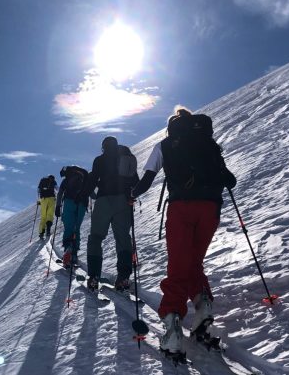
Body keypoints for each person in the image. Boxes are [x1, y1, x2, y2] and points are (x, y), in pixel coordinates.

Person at [130, 107, 236, 358]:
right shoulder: (208, 143)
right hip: (210, 208)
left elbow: (147, 179)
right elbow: (229, 180)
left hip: (182, 208)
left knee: (178, 265)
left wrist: (131, 195)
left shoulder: (165, 145)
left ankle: (172, 329)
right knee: (194, 262)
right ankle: (203, 308)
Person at [84, 136, 139, 291]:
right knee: (123, 238)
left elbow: (92, 180)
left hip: (103, 200)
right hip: (123, 201)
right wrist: (130, 195)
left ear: (103, 147)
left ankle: (94, 276)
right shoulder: (126, 158)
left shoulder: (99, 160)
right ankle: (123, 277)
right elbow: (135, 180)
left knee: (96, 238)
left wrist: (84, 195)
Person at [54, 165, 90, 268]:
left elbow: (60, 193)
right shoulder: (84, 178)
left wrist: (58, 206)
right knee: (76, 228)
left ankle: (68, 249)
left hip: (69, 202)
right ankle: (74, 254)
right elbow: (91, 193)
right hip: (82, 204)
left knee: (69, 227)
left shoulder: (66, 180)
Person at [36, 175, 57, 240]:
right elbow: (57, 189)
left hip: (43, 199)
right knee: (50, 215)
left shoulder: (42, 181)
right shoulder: (53, 181)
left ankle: (41, 233)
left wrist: (38, 200)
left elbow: (38, 190)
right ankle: (48, 230)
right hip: (52, 199)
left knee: (43, 216)